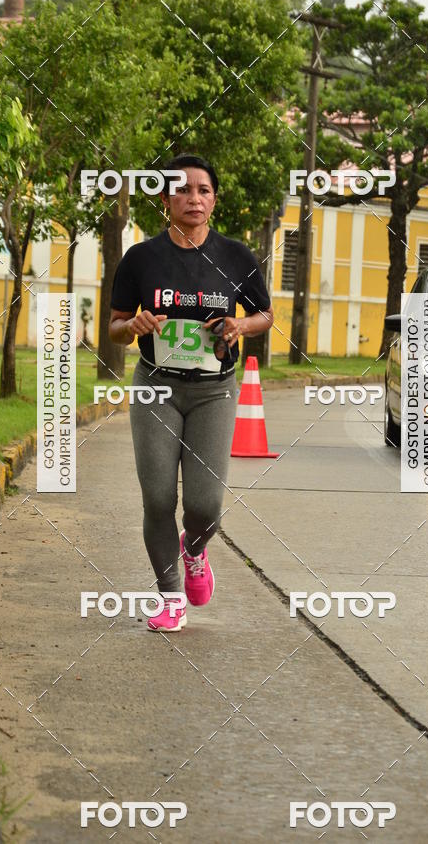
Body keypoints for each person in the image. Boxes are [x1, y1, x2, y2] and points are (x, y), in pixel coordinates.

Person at [108, 154, 274, 631]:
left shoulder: (236, 257)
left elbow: (264, 315)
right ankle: (170, 597)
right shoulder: (142, 258)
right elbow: (116, 326)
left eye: (202, 190)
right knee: (158, 497)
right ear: (166, 200)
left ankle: (195, 549)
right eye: (182, 190)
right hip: (155, 387)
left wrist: (240, 323)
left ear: (214, 200)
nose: (193, 198)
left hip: (214, 392)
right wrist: (132, 325)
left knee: (205, 505)